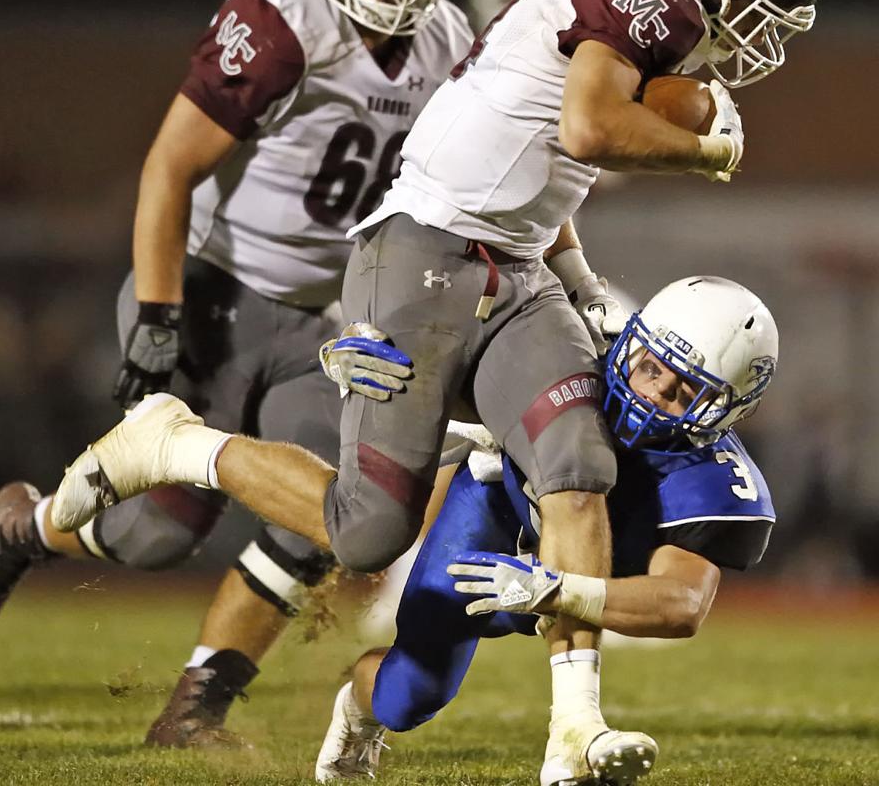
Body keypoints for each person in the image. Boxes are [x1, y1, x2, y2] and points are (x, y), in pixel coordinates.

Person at [51, 0, 827, 782]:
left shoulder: (649, 4)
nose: (764, 34)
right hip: (425, 251)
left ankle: (575, 728)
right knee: (367, 533)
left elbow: (537, 163)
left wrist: (577, 277)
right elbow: (586, 130)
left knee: (578, 461)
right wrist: (705, 148)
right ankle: (177, 443)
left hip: (519, 266)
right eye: (759, 2)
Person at [0, 0, 474, 746]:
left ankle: (196, 708)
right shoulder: (282, 20)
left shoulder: (451, 39)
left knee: (336, 515)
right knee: (157, 536)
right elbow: (170, 166)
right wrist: (158, 314)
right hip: (215, 293)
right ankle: (24, 527)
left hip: (326, 323)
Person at [313, 276, 779, 784]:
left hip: (583, 583)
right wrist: (374, 367)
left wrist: (555, 589)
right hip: (496, 515)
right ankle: (357, 711)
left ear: (729, 410)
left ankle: (574, 741)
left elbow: (681, 606)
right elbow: (453, 351)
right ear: (632, 341)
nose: (651, 394)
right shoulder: (574, 353)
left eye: (685, 392)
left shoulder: (712, 482)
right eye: (650, 367)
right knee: (409, 695)